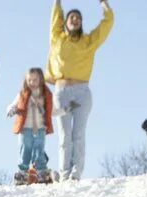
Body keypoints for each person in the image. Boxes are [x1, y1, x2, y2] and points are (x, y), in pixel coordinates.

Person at [45, 0, 115, 180]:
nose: (75, 20)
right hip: (61, 92)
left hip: (82, 92)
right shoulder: (57, 37)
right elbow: (55, 15)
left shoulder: (88, 41)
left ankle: (76, 173)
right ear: (66, 21)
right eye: (72, 17)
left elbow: (106, 25)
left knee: (78, 134)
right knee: (64, 134)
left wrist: (104, 4)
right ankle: (64, 173)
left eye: (78, 18)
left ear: (81, 23)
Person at [6, 67, 54, 182]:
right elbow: (12, 105)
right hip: (25, 128)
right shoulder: (22, 94)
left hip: (40, 128)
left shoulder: (46, 95)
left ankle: (41, 171)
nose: (32, 82)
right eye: (30, 80)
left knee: (39, 149)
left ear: (41, 80)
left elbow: (53, 109)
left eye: (35, 80)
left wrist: (67, 109)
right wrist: (12, 109)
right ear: (26, 81)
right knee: (25, 148)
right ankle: (23, 171)